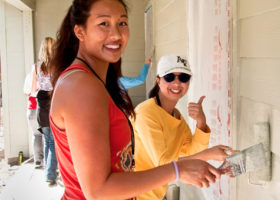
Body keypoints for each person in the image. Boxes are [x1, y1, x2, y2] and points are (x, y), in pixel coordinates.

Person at [49, 0, 226, 199]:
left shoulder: (98, 82)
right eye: (103, 23)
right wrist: (178, 170)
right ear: (80, 32)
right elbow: (97, 192)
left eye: (122, 23)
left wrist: (201, 134)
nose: (116, 34)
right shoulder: (82, 86)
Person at [133, 54, 232, 200]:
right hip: (133, 195)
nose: (177, 83)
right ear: (158, 80)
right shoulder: (147, 113)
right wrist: (208, 155)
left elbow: (191, 150)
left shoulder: (175, 115)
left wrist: (201, 123)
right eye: (169, 77)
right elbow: (163, 165)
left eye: (183, 78)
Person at [32, 37, 58, 186]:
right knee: (54, 141)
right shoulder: (57, 66)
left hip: (41, 104)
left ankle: (49, 171)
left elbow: (34, 88)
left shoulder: (36, 66)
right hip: (53, 103)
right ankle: (50, 174)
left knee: (48, 140)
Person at [24, 70, 43, 168]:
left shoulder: (29, 76)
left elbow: (26, 93)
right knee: (49, 138)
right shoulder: (46, 76)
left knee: (36, 135)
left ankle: (37, 161)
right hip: (43, 109)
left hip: (31, 110)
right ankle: (50, 163)